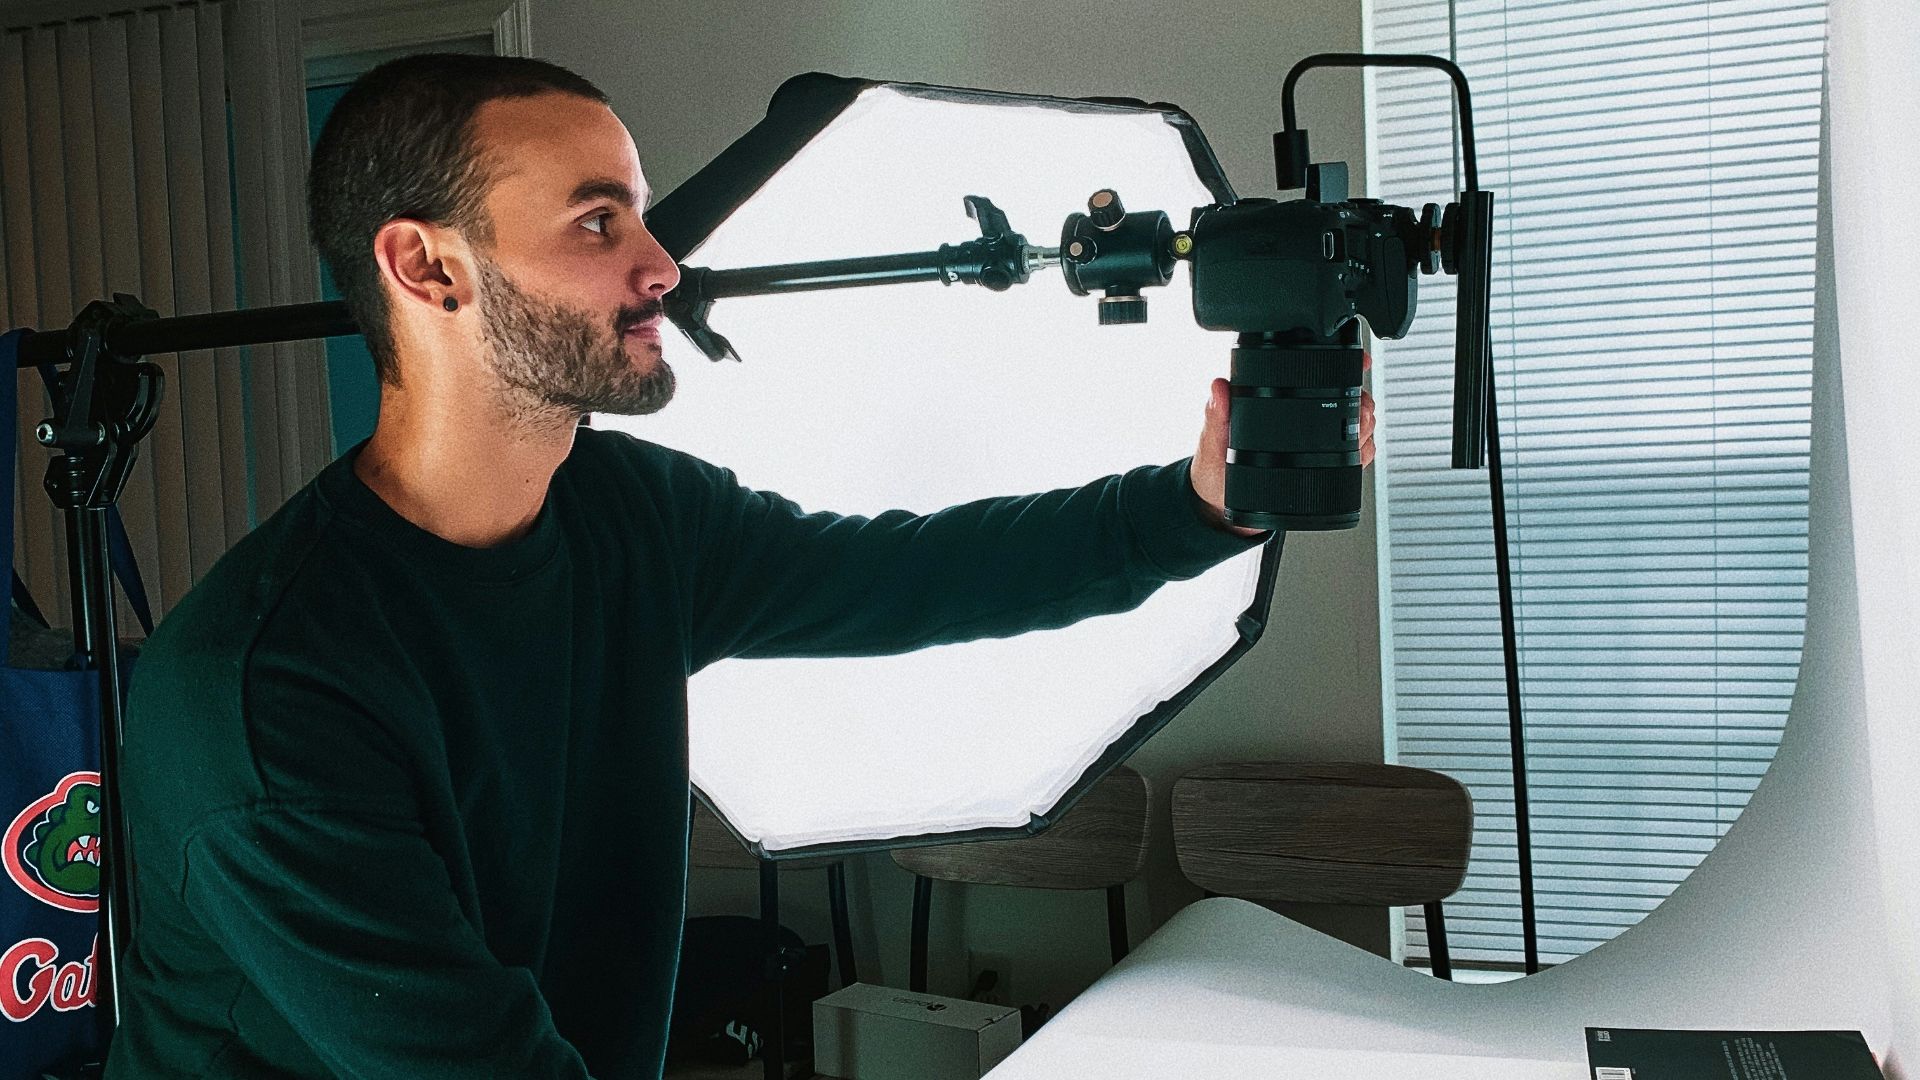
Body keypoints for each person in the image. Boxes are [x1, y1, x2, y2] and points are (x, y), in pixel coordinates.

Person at [103, 54, 1375, 1079]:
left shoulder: (625, 514)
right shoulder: (267, 694)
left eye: (639, 213)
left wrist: (1200, 509)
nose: (661, 265)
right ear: (426, 266)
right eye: (597, 222)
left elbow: (913, 576)